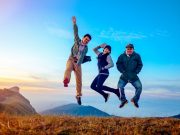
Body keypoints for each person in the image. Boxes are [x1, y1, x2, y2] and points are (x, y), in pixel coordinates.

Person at [63, 16, 92, 105]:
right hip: (71, 59)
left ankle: (78, 96)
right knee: (68, 69)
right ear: (83, 38)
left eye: (88, 40)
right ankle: (66, 80)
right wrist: (74, 23)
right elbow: (75, 32)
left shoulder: (86, 49)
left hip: (78, 63)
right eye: (86, 39)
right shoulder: (77, 41)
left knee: (79, 80)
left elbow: (82, 57)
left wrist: (79, 63)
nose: (87, 41)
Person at [116, 44, 143, 108]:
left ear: (133, 49)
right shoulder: (122, 56)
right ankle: (123, 100)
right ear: (126, 49)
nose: (129, 50)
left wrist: (136, 72)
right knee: (119, 87)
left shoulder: (137, 56)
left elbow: (140, 64)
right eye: (128, 49)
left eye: (131, 49)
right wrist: (122, 71)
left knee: (139, 87)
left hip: (133, 76)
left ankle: (135, 100)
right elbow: (118, 64)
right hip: (124, 76)